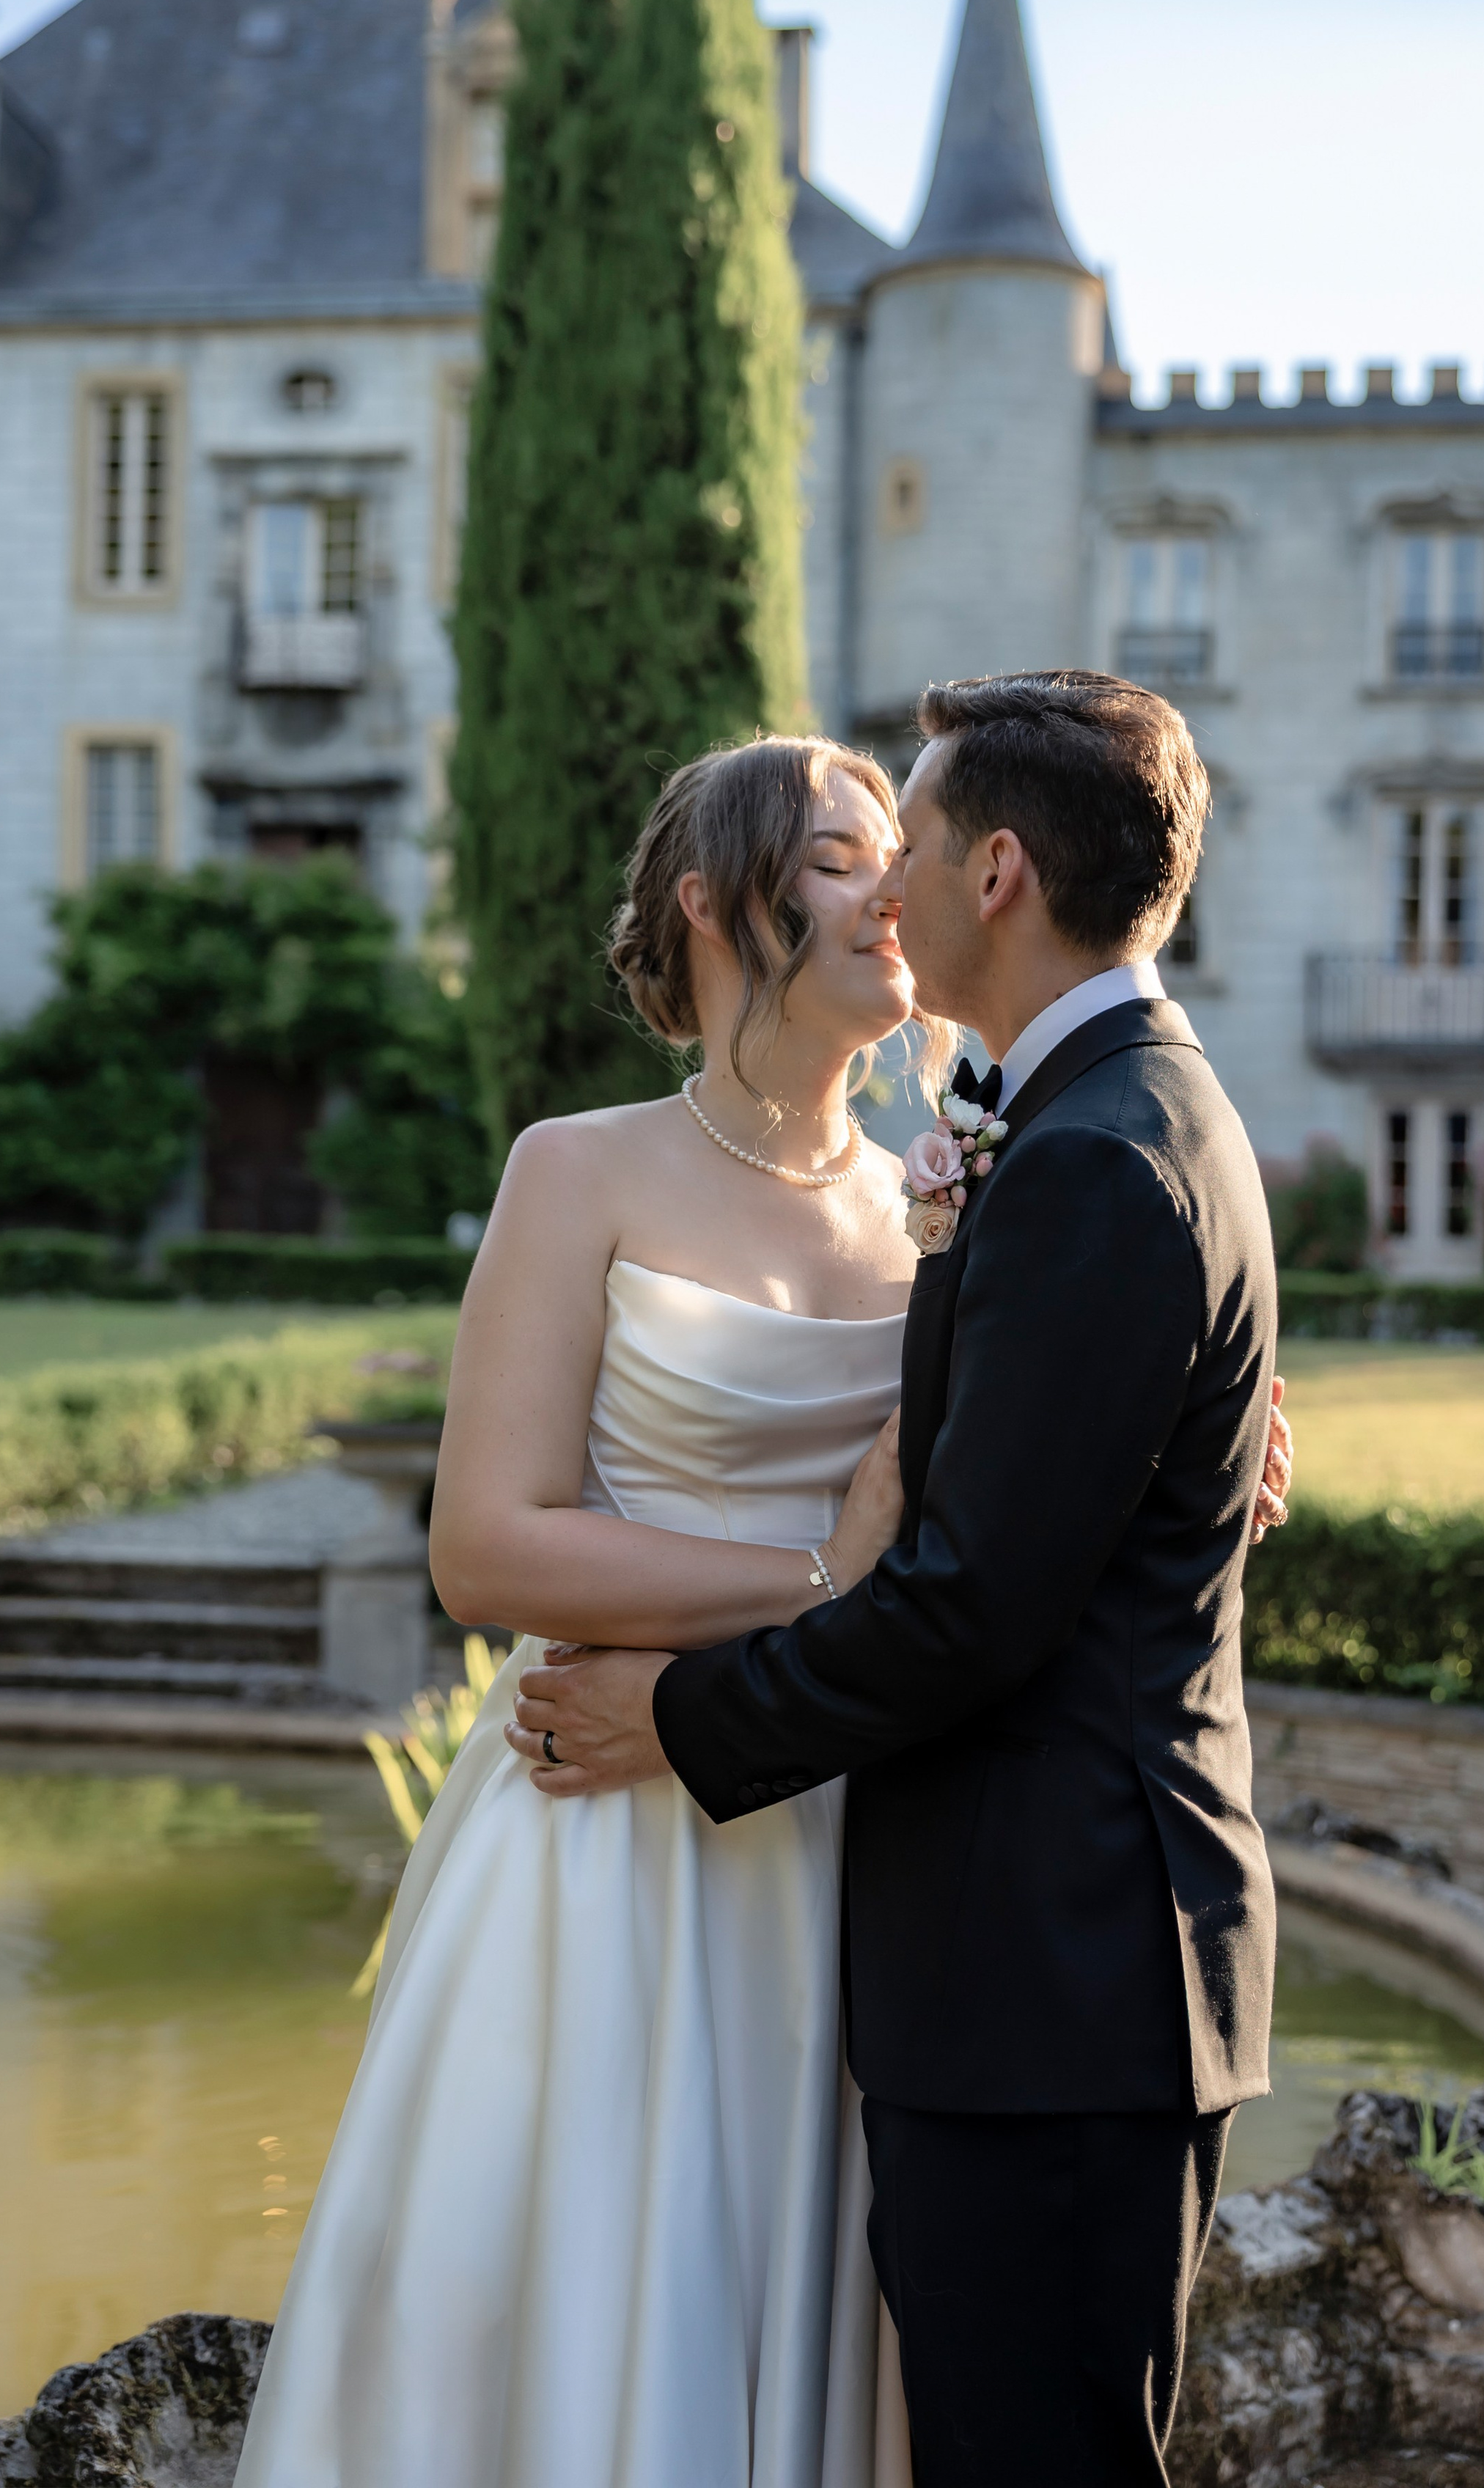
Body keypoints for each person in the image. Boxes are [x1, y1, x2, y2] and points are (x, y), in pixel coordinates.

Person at [233, 700, 1288, 2488]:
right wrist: (818, 1573)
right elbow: (481, 1549)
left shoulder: (944, 1192)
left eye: (904, 848)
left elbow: (1039, 1468)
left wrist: (1208, 1436)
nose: (890, 891)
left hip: (864, 1849)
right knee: (592, 2326)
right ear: (721, 905)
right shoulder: (574, 1171)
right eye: (837, 854)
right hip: (615, 1836)